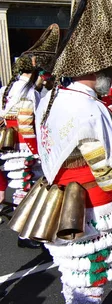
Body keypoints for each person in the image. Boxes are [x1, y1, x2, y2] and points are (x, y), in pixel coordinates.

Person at [33, 0, 112, 303]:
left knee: (73, 275)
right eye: (110, 68)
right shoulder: (92, 108)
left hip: (57, 198)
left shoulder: (49, 98)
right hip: (91, 206)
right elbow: (109, 168)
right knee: (92, 281)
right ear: (99, 70)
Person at [0, 23, 60, 249]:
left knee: (23, 189)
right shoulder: (29, 92)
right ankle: (24, 235)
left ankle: (26, 233)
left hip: (11, 146)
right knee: (27, 189)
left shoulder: (7, 88)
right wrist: (38, 150)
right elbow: (28, 124)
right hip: (24, 147)